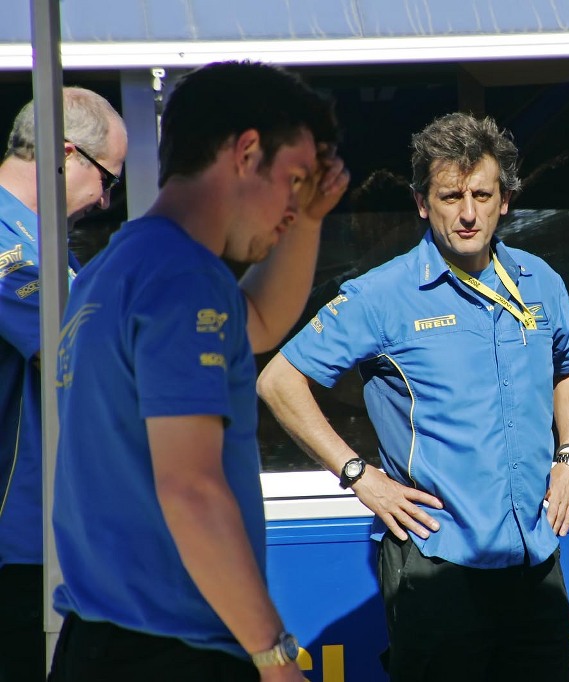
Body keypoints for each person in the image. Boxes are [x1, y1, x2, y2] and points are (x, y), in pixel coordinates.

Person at [257, 112, 569, 681]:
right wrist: (359, 475)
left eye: (482, 195)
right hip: (436, 559)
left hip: (532, 556)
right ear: (420, 203)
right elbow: (279, 381)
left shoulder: (540, 281)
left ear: (505, 200)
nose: (468, 213)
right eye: (450, 196)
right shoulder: (381, 294)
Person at [47, 60, 349, 682]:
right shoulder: (185, 280)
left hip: (102, 644)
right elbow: (191, 487)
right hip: (172, 656)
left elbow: (257, 321)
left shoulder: (116, 266)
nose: (293, 207)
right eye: (293, 180)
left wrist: (311, 218)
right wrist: (274, 657)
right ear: (246, 153)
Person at [0, 87, 126, 681]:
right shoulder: (11, 248)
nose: (105, 200)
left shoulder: (42, 246)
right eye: (107, 179)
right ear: (65, 153)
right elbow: (87, 356)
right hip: (18, 544)